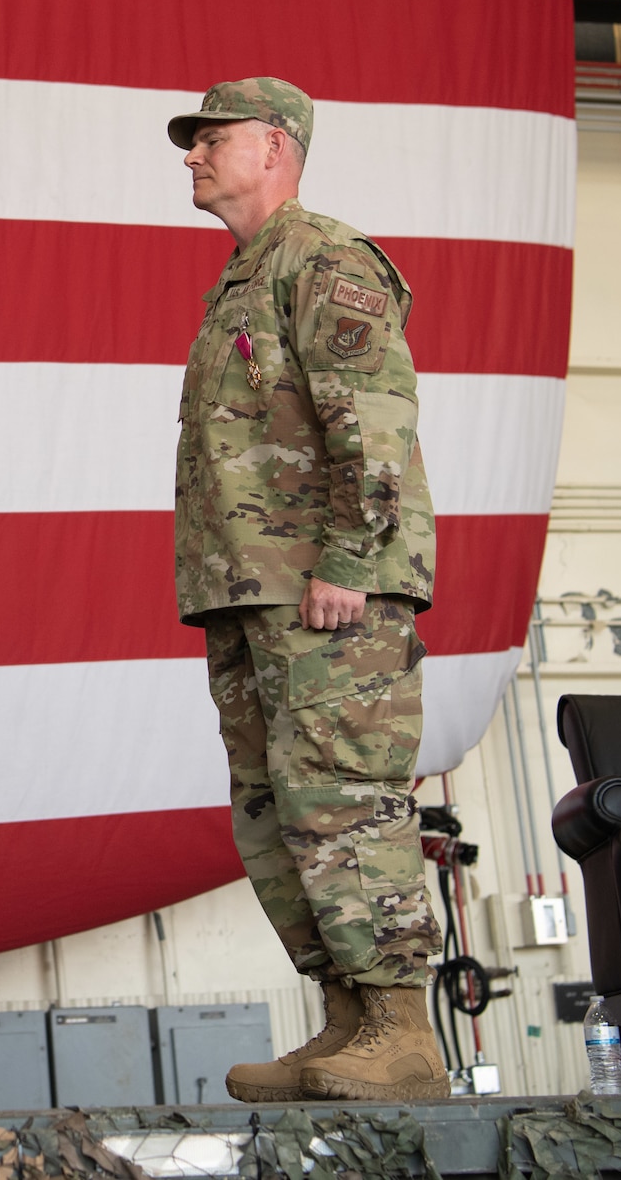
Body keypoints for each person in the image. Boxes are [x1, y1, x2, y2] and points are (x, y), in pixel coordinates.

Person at [169, 78, 447, 1102]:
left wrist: (347, 559)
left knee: (344, 795)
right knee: (275, 809)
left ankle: (399, 1029)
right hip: (251, 587)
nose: (191, 156)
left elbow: (369, 418)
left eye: (210, 138)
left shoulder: (324, 257)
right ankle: (346, 1020)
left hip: (325, 584)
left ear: (275, 147)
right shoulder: (245, 273)